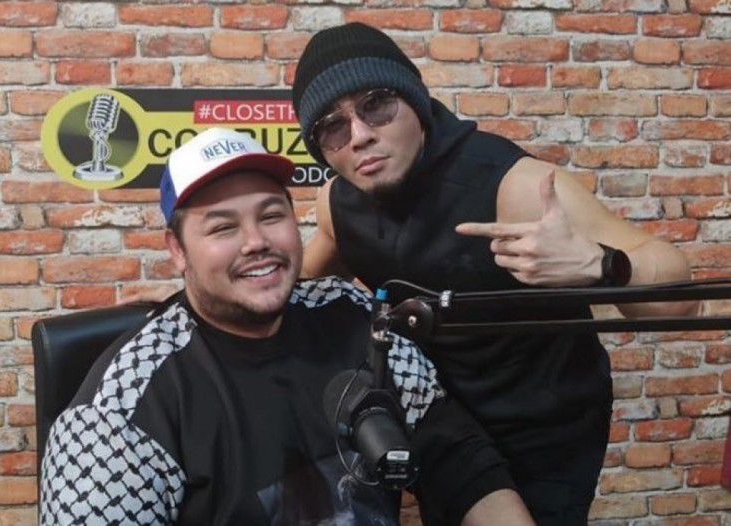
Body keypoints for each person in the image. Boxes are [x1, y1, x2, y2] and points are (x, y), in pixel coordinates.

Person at [291, 22, 697, 525]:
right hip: (444, 421)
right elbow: (297, 287)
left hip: (547, 425)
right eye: (333, 126)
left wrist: (600, 264)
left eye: (376, 104)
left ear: (415, 101)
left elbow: (680, 299)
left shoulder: (512, 186)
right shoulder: (338, 204)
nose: (359, 135)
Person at [40, 128, 535, 525]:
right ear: (177, 250)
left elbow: (458, 458)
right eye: (223, 227)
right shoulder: (117, 414)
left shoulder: (349, 313)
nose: (256, 242)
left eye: (271, 215)